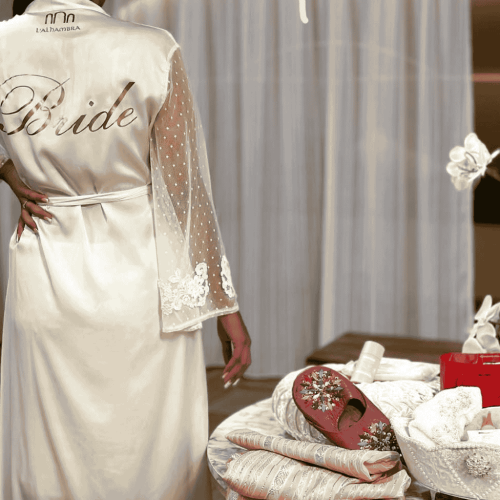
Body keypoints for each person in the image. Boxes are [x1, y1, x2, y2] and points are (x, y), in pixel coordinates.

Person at [0, 0, 252, 498]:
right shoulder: (152, 49)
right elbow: (183, 191)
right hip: (141, 284)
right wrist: (225, 305)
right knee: (150, 457)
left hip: (47, 274)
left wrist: (10, 170)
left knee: (49, 453)